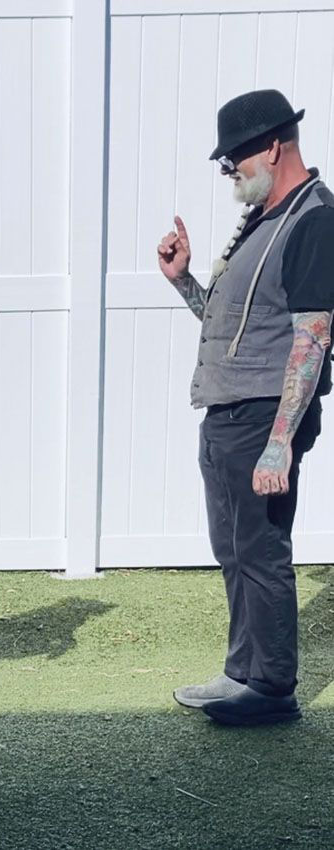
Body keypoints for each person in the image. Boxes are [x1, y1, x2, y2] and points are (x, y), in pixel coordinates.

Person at [157, 89, 334, 725]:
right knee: (234, 549)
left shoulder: (314, 219)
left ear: (274, 145)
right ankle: (242, 672)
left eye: (235, 157)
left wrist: (280, 442)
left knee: (260, 550)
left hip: (264, 415)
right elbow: (231, 325)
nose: (230, 169)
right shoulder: (263, 217)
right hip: (228, 412)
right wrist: (183, 280)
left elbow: (312, 338)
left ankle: (273, 688)